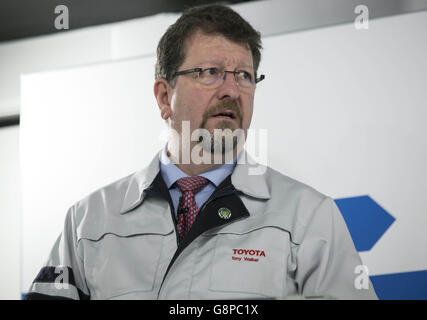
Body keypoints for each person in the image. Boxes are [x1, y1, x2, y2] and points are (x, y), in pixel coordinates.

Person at [25, 4, 377, 300]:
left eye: (244, 75)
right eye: (211, 73)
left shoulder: (310, 218)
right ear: (165, 96)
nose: (232, 90)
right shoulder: (89, 222)